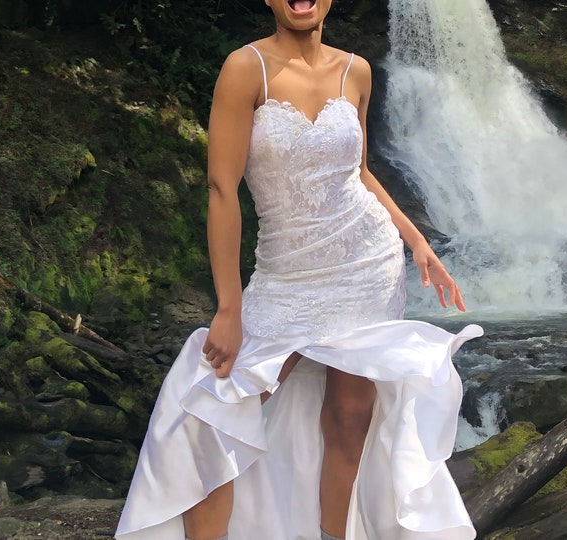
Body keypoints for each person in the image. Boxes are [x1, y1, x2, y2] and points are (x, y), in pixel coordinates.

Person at [115, 0, 483, 539]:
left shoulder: (356, 70)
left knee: (350, 418)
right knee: (213, 413)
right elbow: (221, 189)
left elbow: (359, 170)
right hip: (285, 274)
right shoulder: (246, 67)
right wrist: (229, 307)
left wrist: (416, 240)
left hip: (366, 265)